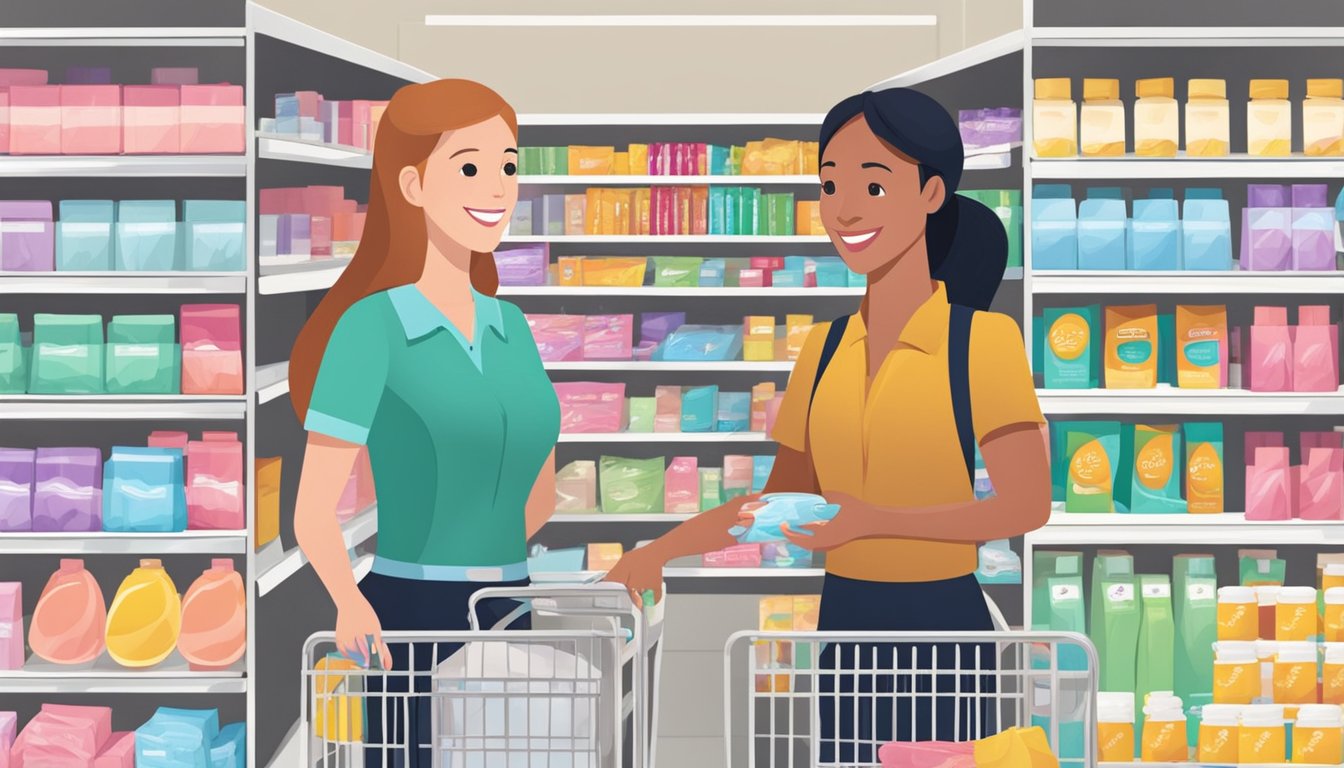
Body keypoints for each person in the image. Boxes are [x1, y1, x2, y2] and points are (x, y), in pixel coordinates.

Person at [605, 88, 1051, 761]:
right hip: (844, 620)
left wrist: (875, 520)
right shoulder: (822, 348)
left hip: (942, 627)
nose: (845, 208)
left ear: (932, 194)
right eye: (830, 183)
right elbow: (777, 505)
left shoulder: (983, 342)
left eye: (873, 185)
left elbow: (1026, 504)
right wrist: (658, 551)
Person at [289, 79, 560, 767]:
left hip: (509, 605)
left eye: (508, 166)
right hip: (407, 616)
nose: (496, 187)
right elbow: (313, 513)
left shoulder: (515, 328)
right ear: (412, 185)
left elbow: (541, 491)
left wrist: (492, 569)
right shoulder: (372, 327)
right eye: (470, 166)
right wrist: (350, 603)